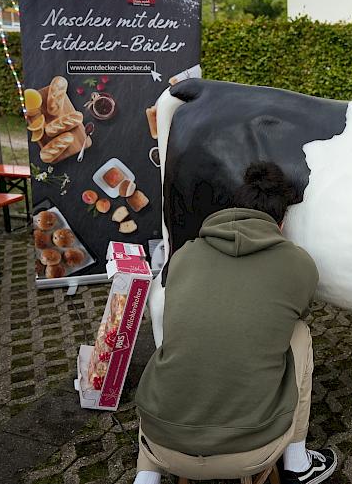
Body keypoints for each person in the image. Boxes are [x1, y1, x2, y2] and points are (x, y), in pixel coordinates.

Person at [133, 162, 338, 484]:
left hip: (161, 444)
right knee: (298, 333)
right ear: (281, 223)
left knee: (185, 334)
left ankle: (146, 477)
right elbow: (293, 315)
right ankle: (298, 462)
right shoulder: (298, 263)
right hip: (253, 452)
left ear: (231, 212)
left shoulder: (185, 255)